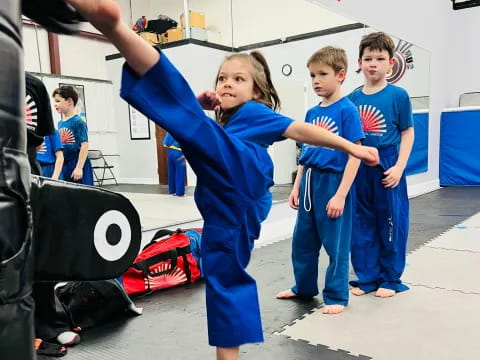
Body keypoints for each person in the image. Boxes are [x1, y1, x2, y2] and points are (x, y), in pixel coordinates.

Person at [66, 1, 379, 359]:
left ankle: (117, 30)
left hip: (240, 175)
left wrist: (348, 147)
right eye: (222, 78)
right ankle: (113, 29)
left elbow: (301, 130)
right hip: (226, 206)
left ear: (257, 92)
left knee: (225, 278)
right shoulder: (218, 123)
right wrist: (197, 106)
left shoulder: (257, 114)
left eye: (239, 79)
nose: (227, 83)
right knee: (222, 272)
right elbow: (184, 133)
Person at [276, 46, 364, 315]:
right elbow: (306, 152)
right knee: (302, 240)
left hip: (333, 182)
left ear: (340, 75)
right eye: (312, 75)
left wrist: (340, 194)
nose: (316, 80)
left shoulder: (347, 110)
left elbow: (355, 155)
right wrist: (297, 185)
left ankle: (337, 295)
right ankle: (303, 286)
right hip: (310, 182)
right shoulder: (312, 113)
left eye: (322, 74)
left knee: (336, 242)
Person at [348, 32, 415, 298]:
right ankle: (366, 277)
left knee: (391, 220)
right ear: (360, 62)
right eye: (368, 58)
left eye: (380, 58)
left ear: (391, 63)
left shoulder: (398, 95)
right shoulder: (352, 99)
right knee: (361, 221)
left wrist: (399, 166)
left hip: (387, 161)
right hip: (359, 162)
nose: (373, 63)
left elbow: (407, 132)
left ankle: (390, 277)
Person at [25, 73, 79, 356]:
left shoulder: (30, 85)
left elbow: (37, 140)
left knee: (38, 248)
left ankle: (47, 323)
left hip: (24, 174)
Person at [52, 85, 94, 185]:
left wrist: (79, 168)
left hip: (77, 162)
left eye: (58, 101)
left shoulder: (78, 121)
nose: (55, 104)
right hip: (65, 164)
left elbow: (84, 145)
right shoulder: (60, 123)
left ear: (69, 101)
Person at [163, 132, 186, 196]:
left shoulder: (169, 131)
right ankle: (180, 193)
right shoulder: (182, 131)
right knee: (180, 173)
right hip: (179, 153)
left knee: (171, 172)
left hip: (170, 153)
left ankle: (172, 191)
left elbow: (164, 144)